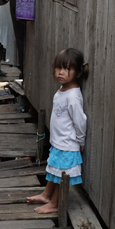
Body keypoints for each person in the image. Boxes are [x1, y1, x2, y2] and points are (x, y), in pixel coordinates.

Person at [26, 48, 89, 214]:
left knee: (62, 174)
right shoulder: (62, 90)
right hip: (59, 141)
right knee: (54, 168)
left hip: (68, 144)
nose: (61, 72)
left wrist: (81, 141)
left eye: (67, 69)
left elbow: (80, 121)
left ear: (78, 73)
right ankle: (46, 195)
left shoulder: (73, 96)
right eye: (59, 68)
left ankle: (55, 203)